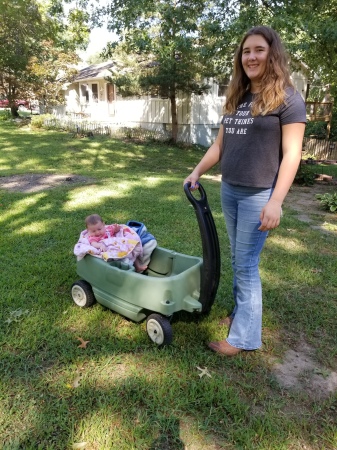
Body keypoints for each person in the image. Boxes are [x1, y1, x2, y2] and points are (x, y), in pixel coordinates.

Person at [184, 26, 306, 356]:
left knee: (246, 265)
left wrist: (276, 201)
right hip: (230, 190)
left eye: (258, 50)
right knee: (241, 258)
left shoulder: (288, 99)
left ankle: (243, 339)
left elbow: (293, 154)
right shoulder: (238, 96)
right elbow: (220, 146)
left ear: (272, 54)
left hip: (258, 194)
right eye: (246, 51)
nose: (251, 56)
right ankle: (242, 316)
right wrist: (197, 171)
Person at [74, 214, 148, 272]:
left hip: (117, 244)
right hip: (109, 248)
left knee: (131, 251)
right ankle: (125, 267)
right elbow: (93, 244)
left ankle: (138, 266)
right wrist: (100, 245)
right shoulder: (93, 237)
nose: (97, 232)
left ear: (103, 225)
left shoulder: (108, 229)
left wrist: (117, 229)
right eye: (93, 231)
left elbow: (116, 231)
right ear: (88, 230)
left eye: (99, 229)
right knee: (123, 258)